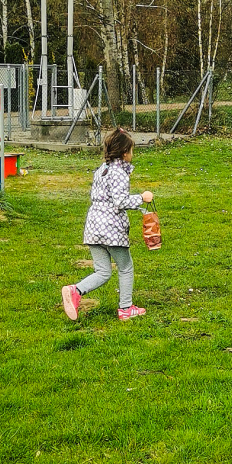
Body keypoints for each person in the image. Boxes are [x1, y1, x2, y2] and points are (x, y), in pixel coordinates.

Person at [61, 128, 154, 321]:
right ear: (124, 152)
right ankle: (126, 309)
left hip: (94, 225)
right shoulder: (119, 173)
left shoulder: (102, 170)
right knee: (126, 267)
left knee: (103, 271)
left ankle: (75, 290)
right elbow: (119, 202)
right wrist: (141, 198)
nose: (132, 154)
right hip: (111, 228)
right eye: (131, 150)